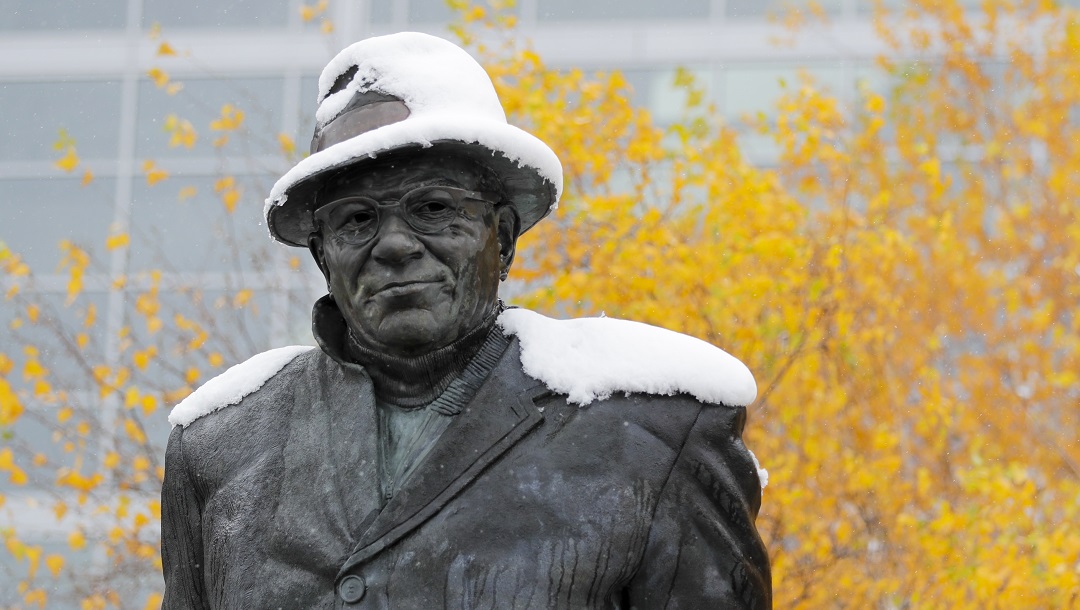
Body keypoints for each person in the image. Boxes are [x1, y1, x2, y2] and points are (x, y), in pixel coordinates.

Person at [161, 32, 771, 609]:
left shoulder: (655, 436)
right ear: (323, 257)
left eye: (433, 208)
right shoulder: (218, 451)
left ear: (501, 238)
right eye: (355, 220)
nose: (395, 245)